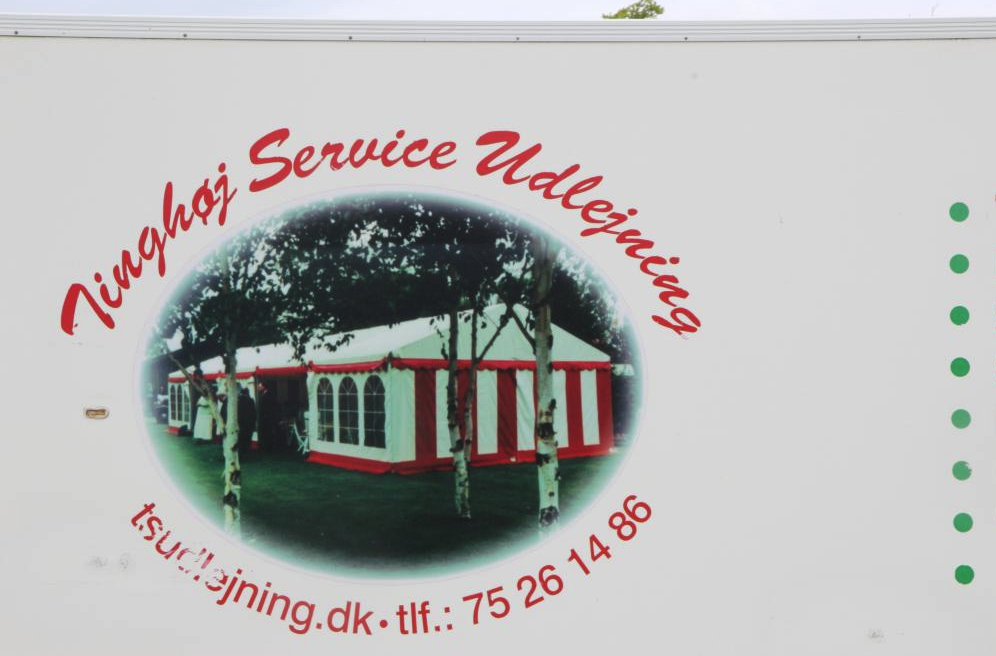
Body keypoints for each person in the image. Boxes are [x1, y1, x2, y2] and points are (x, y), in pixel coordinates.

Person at [237, 386, 257, 456]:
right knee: (248, 437)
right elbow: (254, 412)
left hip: (241, 422)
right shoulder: (251, 400)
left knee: (241, 438)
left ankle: (241, 451)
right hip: (249, 422)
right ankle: (246, 451)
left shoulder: (238, 401)